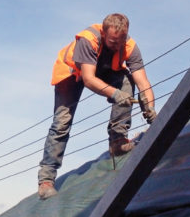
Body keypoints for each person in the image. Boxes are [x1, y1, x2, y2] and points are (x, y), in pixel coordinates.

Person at [38, 13, 156, 200]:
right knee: (62, 122)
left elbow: (143, 82)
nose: (117, 46)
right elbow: (88, 79)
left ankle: (118, 140)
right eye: (112, 41)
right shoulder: (89, 39)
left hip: (102, 70)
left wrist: (150, 110)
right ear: (103, 33)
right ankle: (46, 179)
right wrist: (115, 94)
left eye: (121, 41)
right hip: (73, 72)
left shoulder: (130, 46)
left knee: (127, 80)